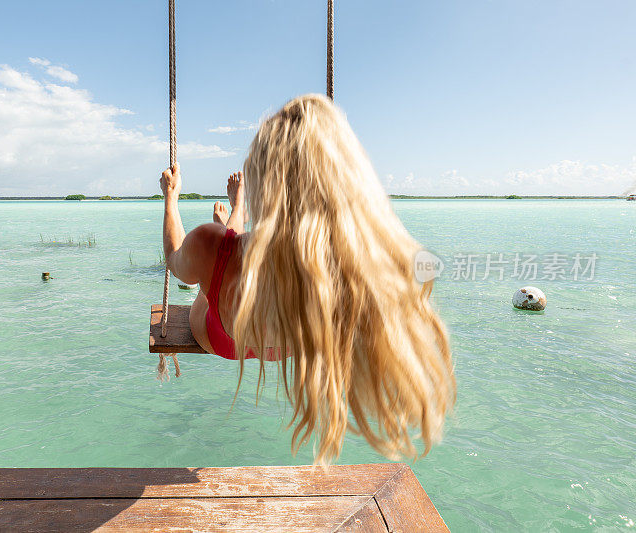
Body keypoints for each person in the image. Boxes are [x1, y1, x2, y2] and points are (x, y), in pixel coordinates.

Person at [160, 94, 455, 464]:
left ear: (261, 177)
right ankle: (237, 217)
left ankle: (236, 218)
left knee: (215, 264)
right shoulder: (353, 268)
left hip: (219, 336)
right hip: (285, 341)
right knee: (231, 254)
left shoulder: (205, 243)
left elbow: (173, 259)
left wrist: (171, 198)